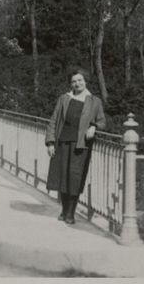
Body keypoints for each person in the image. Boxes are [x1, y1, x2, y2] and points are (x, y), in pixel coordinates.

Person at [45, 68, 107, 225]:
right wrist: (51, 142)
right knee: (62, 177)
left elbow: (102, 121)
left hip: (81, 146)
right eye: (73, 81)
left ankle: (71, 213)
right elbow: (53, 120)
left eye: (80, 80)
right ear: (70, 84)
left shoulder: (94, 101)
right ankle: (64, 210)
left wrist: (94, 126)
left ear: (85, 81)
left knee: (75, 178)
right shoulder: (64, 98)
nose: (77, 83)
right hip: (62, 142)